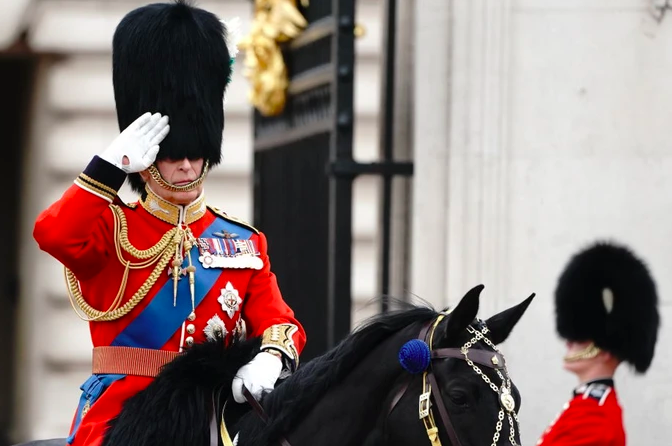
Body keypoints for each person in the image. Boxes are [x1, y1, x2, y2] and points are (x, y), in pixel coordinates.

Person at [32, 2, 306, 445]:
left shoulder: (242, 242)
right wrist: (110, 166)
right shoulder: (112, 227)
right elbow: (53, 233)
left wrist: (270, 357)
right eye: (171, 153)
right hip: (123, 417)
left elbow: (281, 322)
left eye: (193, 153)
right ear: (145, 158)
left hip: (214, 417)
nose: (184, 164)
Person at [537, 241, 659, 446]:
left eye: (579, 337)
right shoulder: (586, 407)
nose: (568, 344)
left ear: (606, 350)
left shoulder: (593, 419)